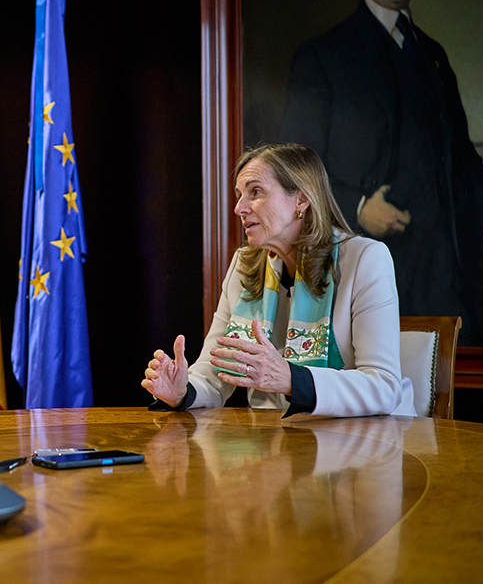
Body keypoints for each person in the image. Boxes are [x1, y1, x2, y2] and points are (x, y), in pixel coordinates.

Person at [278, 0, 483, 345]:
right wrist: (356, 207)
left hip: (442, 258)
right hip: (366, 254)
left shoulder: (431, 54)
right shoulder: (325, 54)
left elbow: (462, 155)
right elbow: (297, 162)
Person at [142, 144, 414, 417]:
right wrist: (182, 391)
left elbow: (384, 387)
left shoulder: (365, 259)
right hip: (275, 444)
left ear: (301, 200)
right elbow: (212, 375)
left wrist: (291, 379)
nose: (239, 208)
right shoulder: (244, 265)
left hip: (365, 442)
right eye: (239, 195)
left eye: (255, 192)